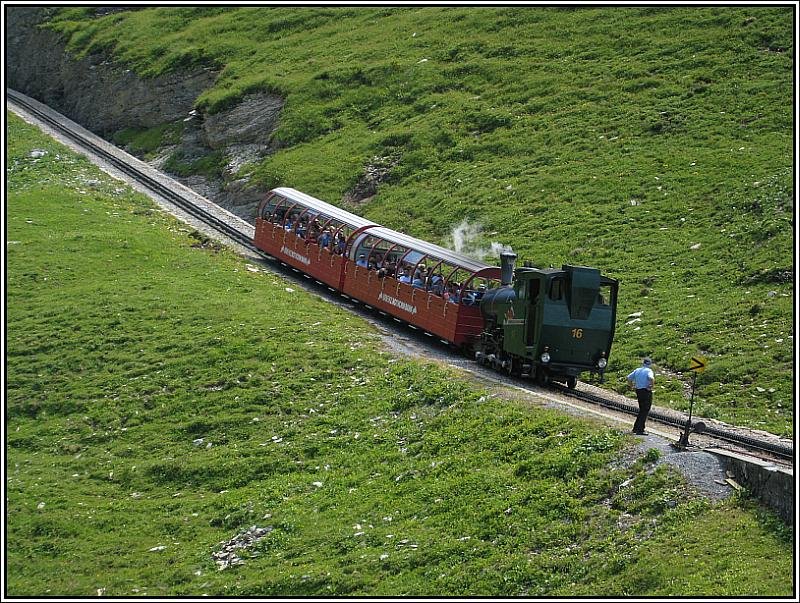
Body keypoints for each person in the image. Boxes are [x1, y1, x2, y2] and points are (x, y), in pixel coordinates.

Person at [627, 357, 655, 435]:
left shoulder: (637, 370)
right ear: (649, 364)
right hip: (645, 391)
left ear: (643, 363)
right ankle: (640, 429)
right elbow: (651, 378)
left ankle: (636, 428)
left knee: (641, 410)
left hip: (638, 390)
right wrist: (650, 386)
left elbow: (628, 378)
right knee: (645, 410)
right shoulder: (649, 370)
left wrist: (631, 386)